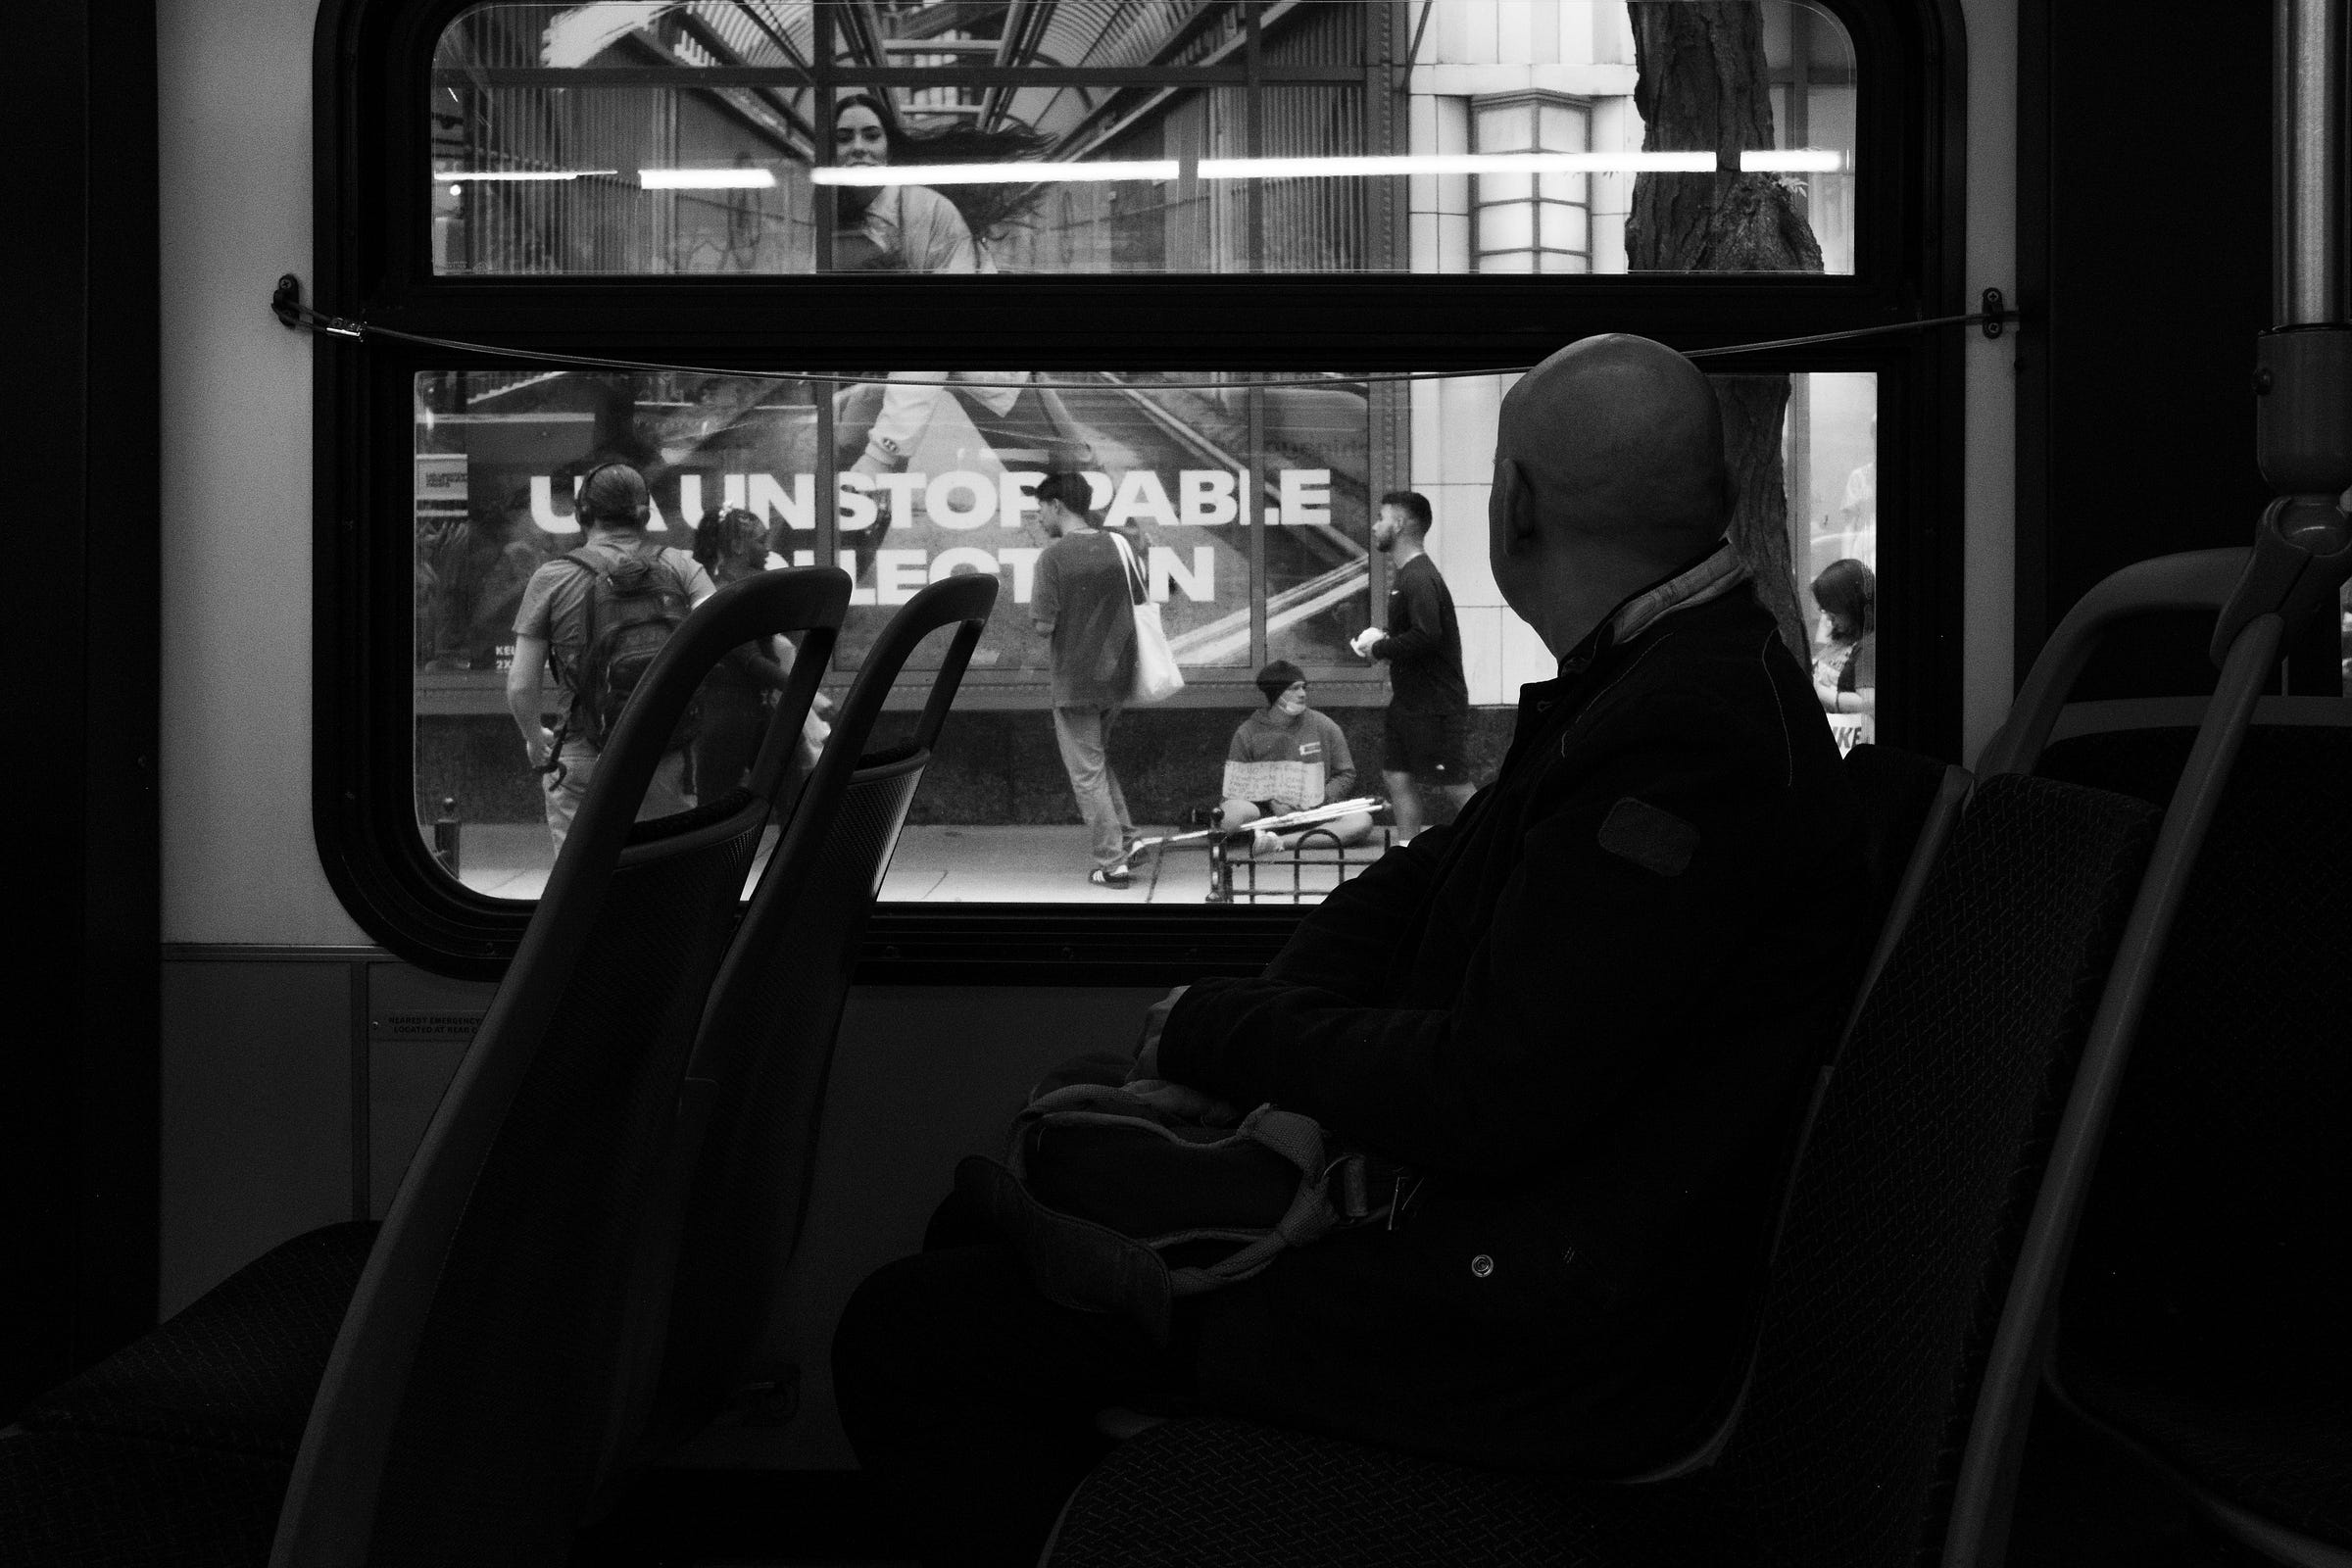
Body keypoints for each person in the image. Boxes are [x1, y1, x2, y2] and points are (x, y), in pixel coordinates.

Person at [831, 335, 1869, 1566]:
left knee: (914, 1327)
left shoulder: (1681, 734)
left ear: (1520, 505)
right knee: (1008, 1221)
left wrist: (1223, 1030)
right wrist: (1250, 1023)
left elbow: (1493, 1088)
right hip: (1527, 1264)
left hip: (1544, 1337)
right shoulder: (1662, 679)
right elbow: (1426, 884)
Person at [507, 462, 713, 851]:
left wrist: (535, 739)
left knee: (583, 889)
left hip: (584, 753)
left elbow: (521, 683)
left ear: (583, 514)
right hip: (667, 755)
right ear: (645, 515)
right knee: (668, 872)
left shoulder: (552, 578)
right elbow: (719, 640)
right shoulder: (683, 567)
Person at [1031, 470, 1142, 888]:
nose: (1039, 517)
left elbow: (1044, 625)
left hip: (1075, 682)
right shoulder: (1119, 545)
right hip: (1117, 676)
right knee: (1095, 763)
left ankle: (1111, 864)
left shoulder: (1053, 557)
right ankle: (1128, 842)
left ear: (1057, 505)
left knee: (1086, 774)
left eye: (1040, 508)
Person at [1348, 490, 1475, 841]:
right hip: (1410, 703)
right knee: (1397, 776)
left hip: (1434, 705)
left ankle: (1501, 852)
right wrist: (1384, 639)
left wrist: (1380, 647)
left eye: (1381, 517)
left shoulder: (1418, 577)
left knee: (1455, 785)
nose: (1375, 526)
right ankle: (1405, 854)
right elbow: (1419, 634)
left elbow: (1427, 636)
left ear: (1400, 524)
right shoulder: (1408, 576)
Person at [686, 506, 829, 801]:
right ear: (737, 546)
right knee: (718, 813)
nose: (767, 549)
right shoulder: (722, 594)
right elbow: (752, 661)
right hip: (728, 718)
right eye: (760, 541)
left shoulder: (739, 589)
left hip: (749, 713)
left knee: (790, 800)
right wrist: (812, 697)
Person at [1218, 661, 1373, 856]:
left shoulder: (1324, 725)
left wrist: (1319, 798)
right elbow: (1235, 786)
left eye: (1303, 687)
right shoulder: (1247, 732)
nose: (1303, 693)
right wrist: (1271, 803)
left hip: (1315, 811)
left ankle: (1275, 842)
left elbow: (1346, 773)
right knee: (1230, 813)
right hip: (1264, 813)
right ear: (1276, 694)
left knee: (1362, 821)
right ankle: (1233, 836)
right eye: (1294, 688)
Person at [1810, 557, 1878, 720]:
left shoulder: (1869, 644)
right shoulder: (1843, 633)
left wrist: (1818, 692)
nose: (1828, 619)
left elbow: (1869, 703)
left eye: (1833, 612)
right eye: (1824, 611)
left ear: (1851, 605)